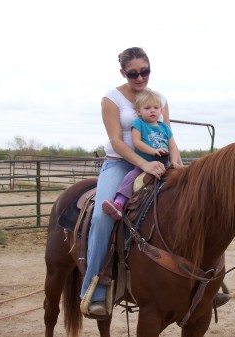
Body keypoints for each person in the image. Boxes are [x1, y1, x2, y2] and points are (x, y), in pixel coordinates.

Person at [80, 47, 181, 316]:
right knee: (103, 218)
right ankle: (94, 290)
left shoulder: (159, 98)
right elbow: (116, 140)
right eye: (133, 73)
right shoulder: (111, 99)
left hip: (157, 162)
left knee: (191, 204)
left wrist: (178, 164)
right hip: (121, 162)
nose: (140, 78)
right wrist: (143, 163)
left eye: (144, 71)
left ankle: (207, 279)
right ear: (123, 73)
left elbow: (168, 135)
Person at [101, 88, 181, 220]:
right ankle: (119, 203)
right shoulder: (139, 124)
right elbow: (137, 142)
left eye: (156, 107)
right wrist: (153, 151)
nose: (152, 110)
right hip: (144, 162)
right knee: (130, 177)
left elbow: (172, 146)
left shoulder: (165, 127)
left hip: (163, 164)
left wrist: (175, 161)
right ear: (139, 112)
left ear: (161, 110)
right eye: (147, 108)